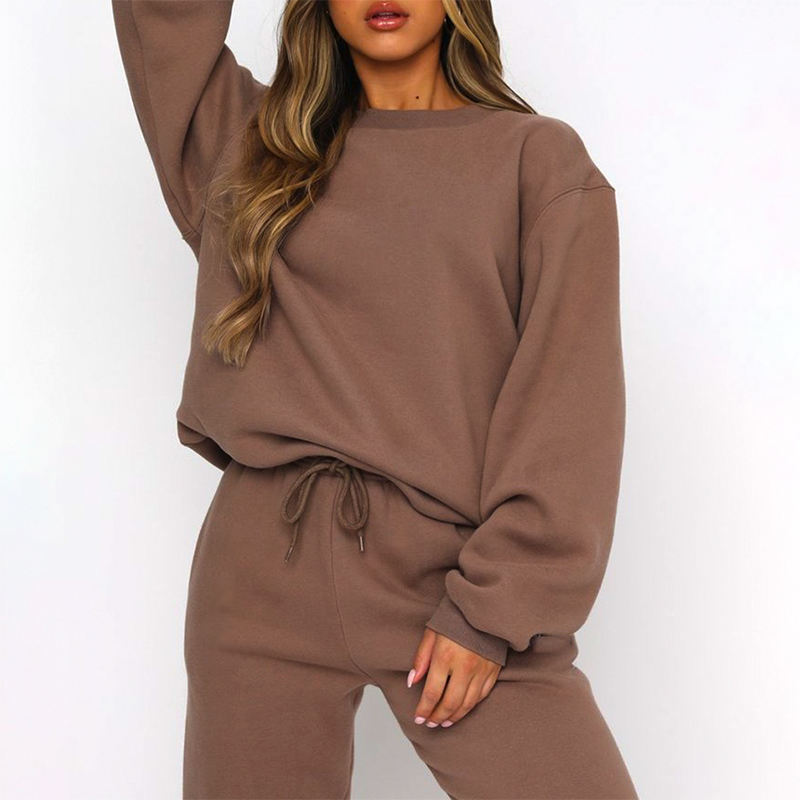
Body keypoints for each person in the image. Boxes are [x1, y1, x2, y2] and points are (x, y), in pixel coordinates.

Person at [112, 1, 638, 797]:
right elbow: (161, 23)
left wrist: (492, 613)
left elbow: (570, 406)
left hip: (451, 571)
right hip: (257, 576)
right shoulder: (251, 147)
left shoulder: (537, 163)